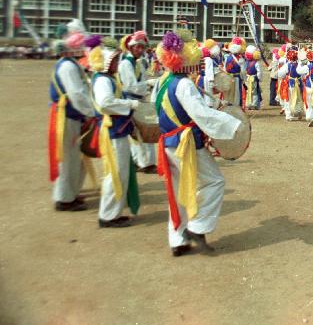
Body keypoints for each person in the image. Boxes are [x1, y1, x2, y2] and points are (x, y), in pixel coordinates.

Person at [152, 30, 241, 257]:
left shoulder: (164, 80)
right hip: (186, 143)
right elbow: (201, 115)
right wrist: (233, 125)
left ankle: (177, 239)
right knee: (214, 182)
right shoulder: (184, 85)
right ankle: (197, 228)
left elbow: (157, 108)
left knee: (178, 189)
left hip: (168, 142)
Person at [91, 37, 141, 228]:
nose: (116, 64)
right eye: (113, 60)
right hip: (113, 131)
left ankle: (111, 212)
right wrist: (130, 104)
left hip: (115, 130)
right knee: (115, 173)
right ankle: (109, 215)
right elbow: (105, 103)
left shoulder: (106, 78)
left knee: (117, 172)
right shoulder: (103, 80)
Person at [48, 21, 96, 211]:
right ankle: (64, 199)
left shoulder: (69, 64)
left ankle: (70, 193)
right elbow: (77, 94)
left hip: (70, 115)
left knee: (74, 157)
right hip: (67, 117)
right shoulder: (68, 66)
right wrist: (90, 113)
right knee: (68, 159)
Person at [119, 31, 157, 173]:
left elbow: (139, 83)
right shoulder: (125, 64)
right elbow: (131, 86)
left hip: (139, 99)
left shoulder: (138, 63)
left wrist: (146, 86)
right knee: (139, 132)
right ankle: (144, 163)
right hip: (131, 100)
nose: (140, 50)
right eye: (137, 47)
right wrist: (147, 84)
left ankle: (142, 161)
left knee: (141, 131)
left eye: (142, 47)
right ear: (131, 47)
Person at [223, 37, 246, 107]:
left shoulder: (227, 58)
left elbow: (225, 68)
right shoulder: (241, 59)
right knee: (237, 93)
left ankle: (229, 104)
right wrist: (244, 80)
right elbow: (243, 71)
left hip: (228, 77)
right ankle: (236, 106)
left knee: (229, 92)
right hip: (237, 77)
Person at [243, 45, 262, 110]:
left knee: (248, 91)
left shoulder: (246, 62)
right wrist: (259, 78)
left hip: (247, 79)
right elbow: (259, 72)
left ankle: (248, 104)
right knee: (254, 92)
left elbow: (244, 71)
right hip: (254, 79)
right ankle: (254, 104)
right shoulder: (256, 63)